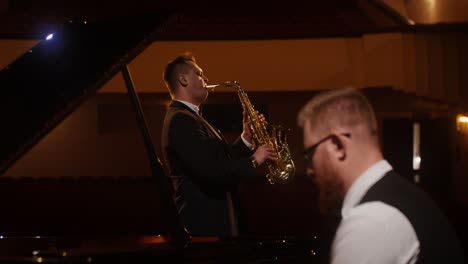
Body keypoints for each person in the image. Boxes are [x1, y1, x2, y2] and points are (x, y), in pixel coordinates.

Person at [297, 87, 464, 263]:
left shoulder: (372, 220)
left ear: (337, 146)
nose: (309, 170)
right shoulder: (402, 197)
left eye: (309, 154)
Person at [160, 52, 277, 238]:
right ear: (183, 79)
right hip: (204, 228)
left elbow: (219, 159)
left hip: (212, 224)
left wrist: (246, 137)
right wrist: (254, 160)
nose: (206, 78)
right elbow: (211, 171)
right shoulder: (181, 120)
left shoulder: (191, 118)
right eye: (199, 74)